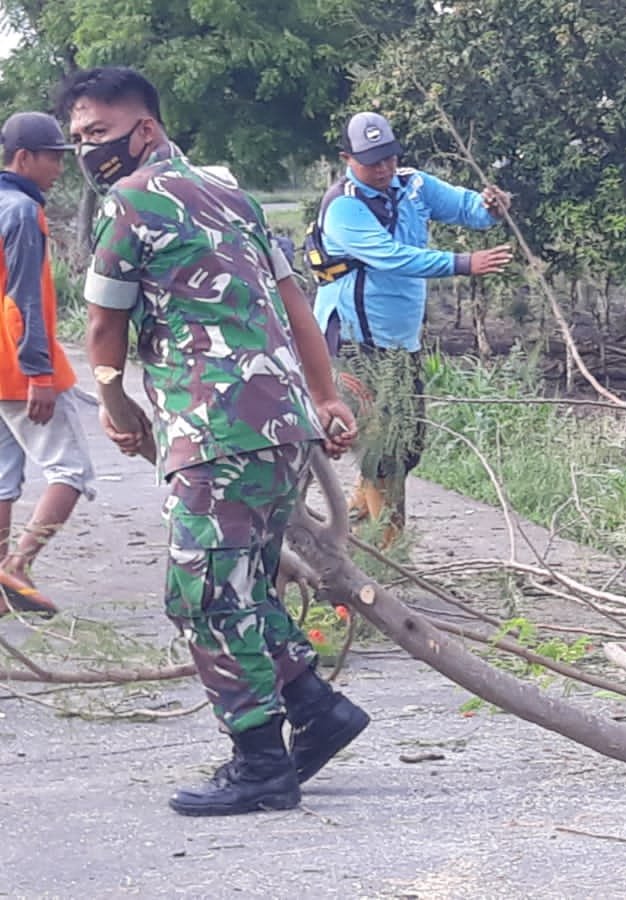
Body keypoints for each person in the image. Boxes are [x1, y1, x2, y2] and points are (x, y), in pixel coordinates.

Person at [60, 66, 367, 816]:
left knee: (199, 595)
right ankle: (318, 709)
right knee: (243, 586)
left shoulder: (129, 204)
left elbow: (104, 324)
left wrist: (113, 400)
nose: (87, 152)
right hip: (281, 425)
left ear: (146, 130)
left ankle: (260, 763)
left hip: (218, 428)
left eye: (98, 134)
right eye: (75, 140)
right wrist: (323, 395)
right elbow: (296, 305)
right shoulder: (236, 197)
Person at [308, 111, 513, 546]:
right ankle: (389, 551)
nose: (382, 169)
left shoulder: (414, 184)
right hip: (354, 340)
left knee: (410, 442)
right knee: (385, 450)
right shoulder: (344, 206)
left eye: (388, 158)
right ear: (347, 158)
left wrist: (490, 206)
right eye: (371, 162)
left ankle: (359, 514)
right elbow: (394, 256)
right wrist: (464, 264)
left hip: (401, 340)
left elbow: (466, 208)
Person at [0, 112, 96, 616]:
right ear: (24, 158)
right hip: (18, 366)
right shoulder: (19, 212)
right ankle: (17, 567)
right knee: (71, 471)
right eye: (53, 157)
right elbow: (25, 299)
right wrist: (38, 371)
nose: (59, 167)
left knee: (1, 477)